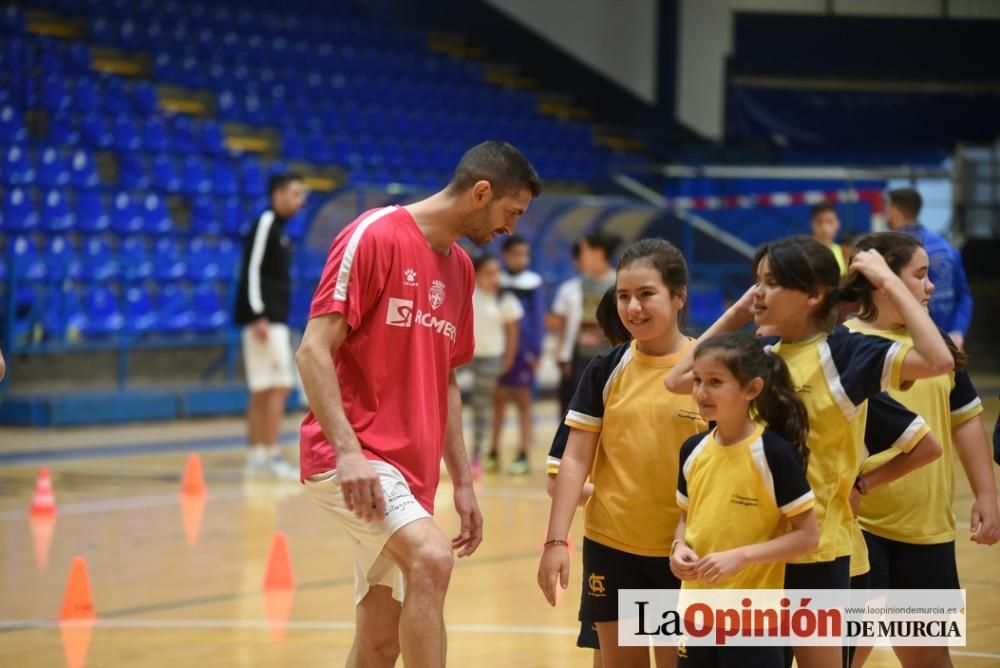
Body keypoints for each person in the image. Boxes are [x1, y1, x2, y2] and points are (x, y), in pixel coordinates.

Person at [295, 140, 540, 668]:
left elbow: (446, 382)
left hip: (412, 478)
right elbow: (313, 350)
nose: (511, 229)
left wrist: (465, 484)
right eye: (510, 212)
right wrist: (348, 453)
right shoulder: (375, 234)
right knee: (432, 559)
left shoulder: (462, 272)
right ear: (481, 192)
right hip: (356, 458)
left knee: (379, 645)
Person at [665, 235, 949, 668]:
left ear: (814, 294)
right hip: (748, 555)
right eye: (756, 281)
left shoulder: (845, 355)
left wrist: (889, 282)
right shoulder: (761, 354)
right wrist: (742, 309)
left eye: (772, 282)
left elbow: (938, 360)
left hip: (814, 556)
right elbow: (678, 379)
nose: (759, 291)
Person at [539, 238, 707, 668]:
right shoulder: (605, 370)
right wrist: (556, 541)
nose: (633, 307)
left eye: (646, 294)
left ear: (679, 295)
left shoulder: (709, 369)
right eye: (624, 296)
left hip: (686, 555)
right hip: (613, 547)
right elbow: (574, 458)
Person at [841, 231, 1000, 668]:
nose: (931, 287)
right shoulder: (845, 345)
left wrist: (987, 494)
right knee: (847, 653)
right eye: (921, 276)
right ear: (882, 281)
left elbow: (965, 418)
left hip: (927, 529)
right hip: (860, 528)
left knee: (928, 657)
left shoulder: (937, 348)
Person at [672, 332, 819, 668]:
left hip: (754, 622)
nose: (700, 392)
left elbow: (808, 536)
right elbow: (684, 521)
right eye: (697, 380)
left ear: (751, 389)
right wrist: (677, 549)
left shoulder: (773, 454)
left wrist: (741, 557)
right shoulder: (692, 451)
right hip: (695, 615)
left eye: (715, 382)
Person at [545, 285, 630, 668]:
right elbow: (558, 475)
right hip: (611, 544)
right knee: (609, 653)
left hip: (674, 547)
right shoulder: (604, 372)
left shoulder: (692, 369)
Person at [235, 172, 307, 480]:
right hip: (265, 319)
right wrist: (257, 313)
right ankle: (270, 455)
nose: (300, 200)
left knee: (264, 388)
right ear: (277, 195)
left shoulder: (280, 230)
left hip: (270, 318)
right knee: (278, 385)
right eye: (294, 193)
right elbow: (251, 268)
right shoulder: (266, 223)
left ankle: (258, 455)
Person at [886, 187, 973, 349]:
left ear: (895, 211)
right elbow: (964, 297)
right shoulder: (947, 247)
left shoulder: (891, 251)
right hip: (948, 342)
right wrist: (957, 331)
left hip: (908, 345)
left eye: (887, 208)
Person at [488, 234, 545, 475]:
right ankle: (493, 452)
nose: (521, 259)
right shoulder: (496, 281)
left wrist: (536, 351)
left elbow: (538, 319)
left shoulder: (534, 282)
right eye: (516, 254)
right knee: (498, 401)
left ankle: (523, 453)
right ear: (505, 255)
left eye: (525, 254)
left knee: (523, 402)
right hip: (499, 351)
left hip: (524, 353)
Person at [469, 253, 523, 478]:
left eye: (497, 272)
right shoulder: (467, 293)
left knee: (481, 409)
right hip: (462, 357)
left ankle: (476, 457)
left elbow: (512, 332)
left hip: (491, 358)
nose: (495, 278)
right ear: (477, 274)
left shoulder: (505, 298)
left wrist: (508, 359)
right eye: (489, 273)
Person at [551, 241, 583, 417]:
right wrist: (561, 353)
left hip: (596, 350)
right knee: (568, 401)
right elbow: (561, 325)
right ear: (576, 261)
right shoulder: (568, 289)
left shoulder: (610, 285)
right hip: (572, 353)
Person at [810, 203, 847, 276]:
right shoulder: (804, 253)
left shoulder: (844, 253)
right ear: (812, 224)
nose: (825, 228)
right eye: (819, 222)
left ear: (838, 223)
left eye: (830, 222)